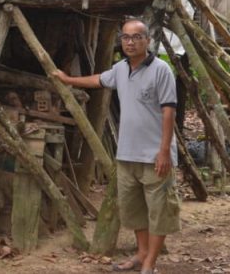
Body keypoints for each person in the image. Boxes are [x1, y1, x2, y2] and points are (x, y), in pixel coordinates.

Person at [53, 18, 180, 274]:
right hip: (127, 154)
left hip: (156, 155)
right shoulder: (121, 69)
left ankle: (150, 264)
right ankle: (141, 253)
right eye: (126, 37)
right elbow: (98, 80)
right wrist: (68, 80)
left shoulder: (161, 70)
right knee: (134, 211)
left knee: (159, 212)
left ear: (147, 40)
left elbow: (169, 112)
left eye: (136, 37)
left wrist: (164, 150)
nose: (130, 42)